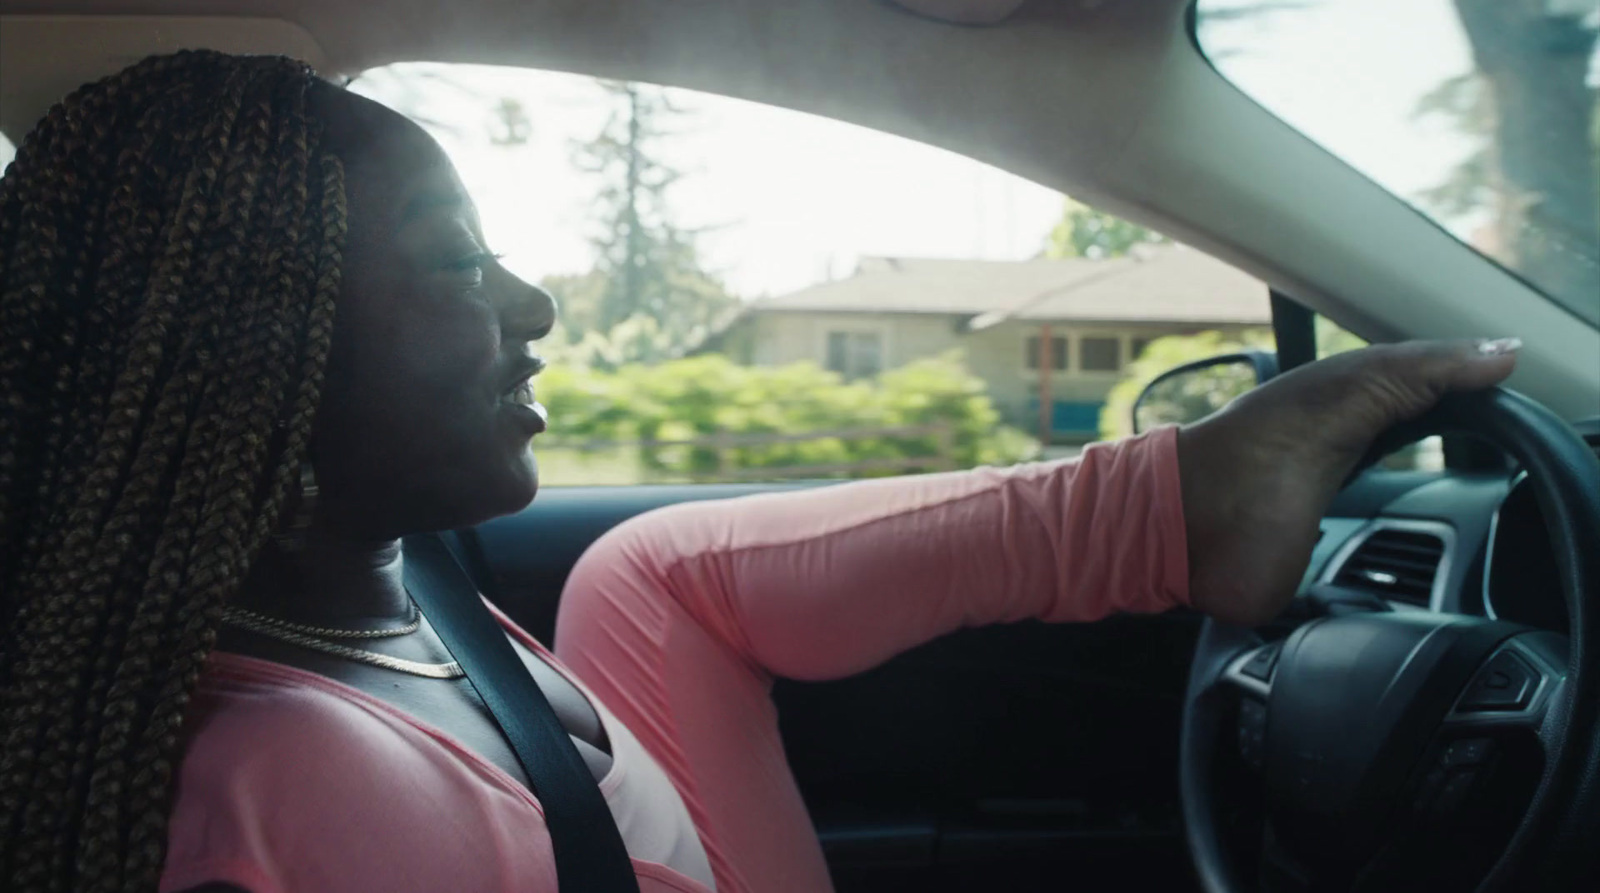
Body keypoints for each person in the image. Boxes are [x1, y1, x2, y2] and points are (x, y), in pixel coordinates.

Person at [0, 52, 1517, 893]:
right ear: (259, 364)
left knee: (650, 571)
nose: (533, 305)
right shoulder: (309, 791)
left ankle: (1180, 502)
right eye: (458, 265)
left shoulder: (380, 590)